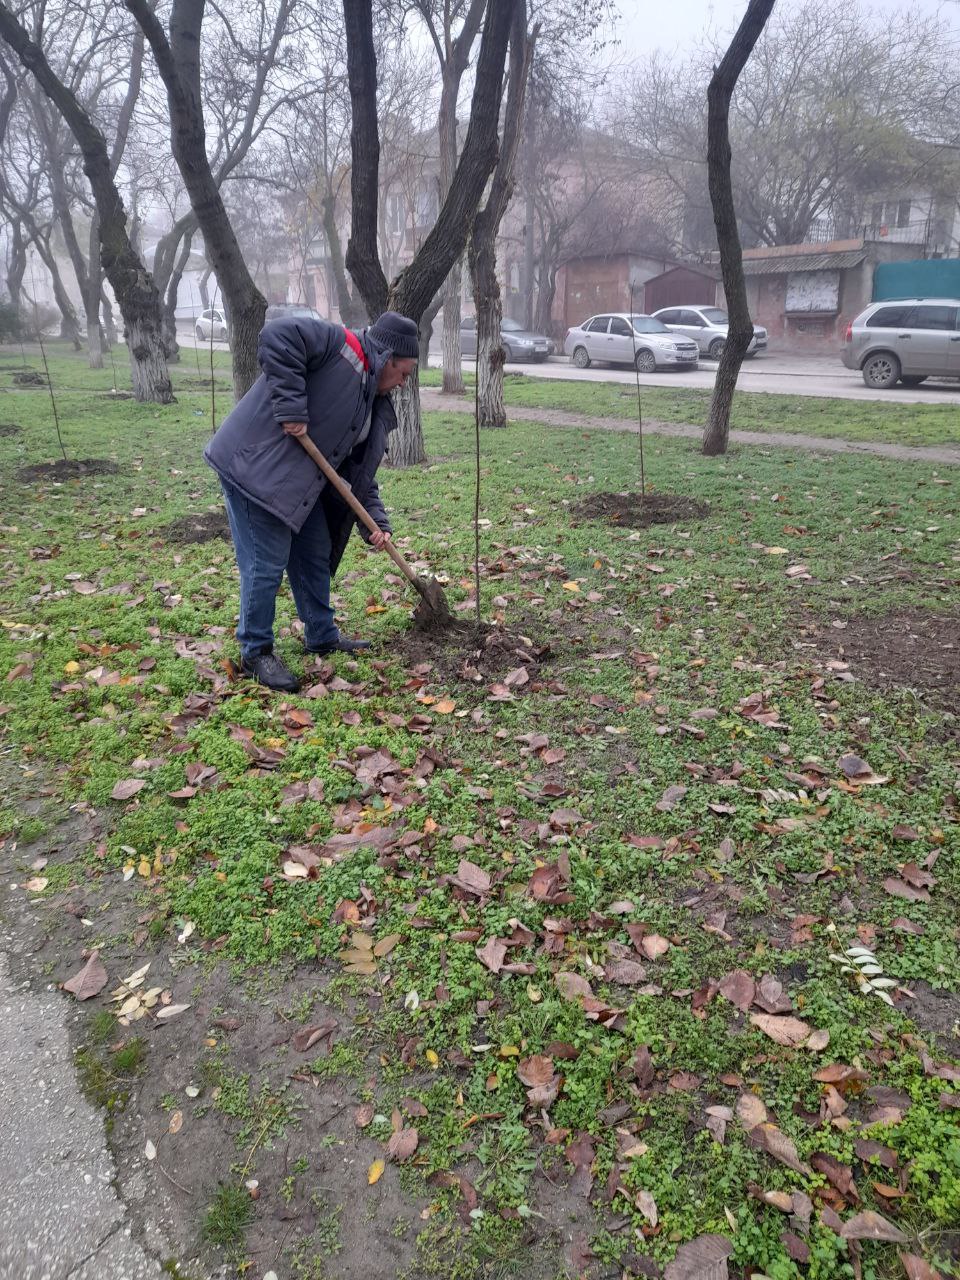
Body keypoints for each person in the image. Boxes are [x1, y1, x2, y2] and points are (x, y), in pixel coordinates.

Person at [204, 310, 419, 692]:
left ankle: (321, 634)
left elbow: (355, 475)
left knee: (314, 551)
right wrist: (290, 406)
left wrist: (378, 523)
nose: (404, 384)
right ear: (388, 358)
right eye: (403, 373)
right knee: (265, 563)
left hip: (295, 484)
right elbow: (277, 335)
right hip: (254, 469)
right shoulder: (341, 346)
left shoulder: (370, 401)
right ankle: (255, 651)